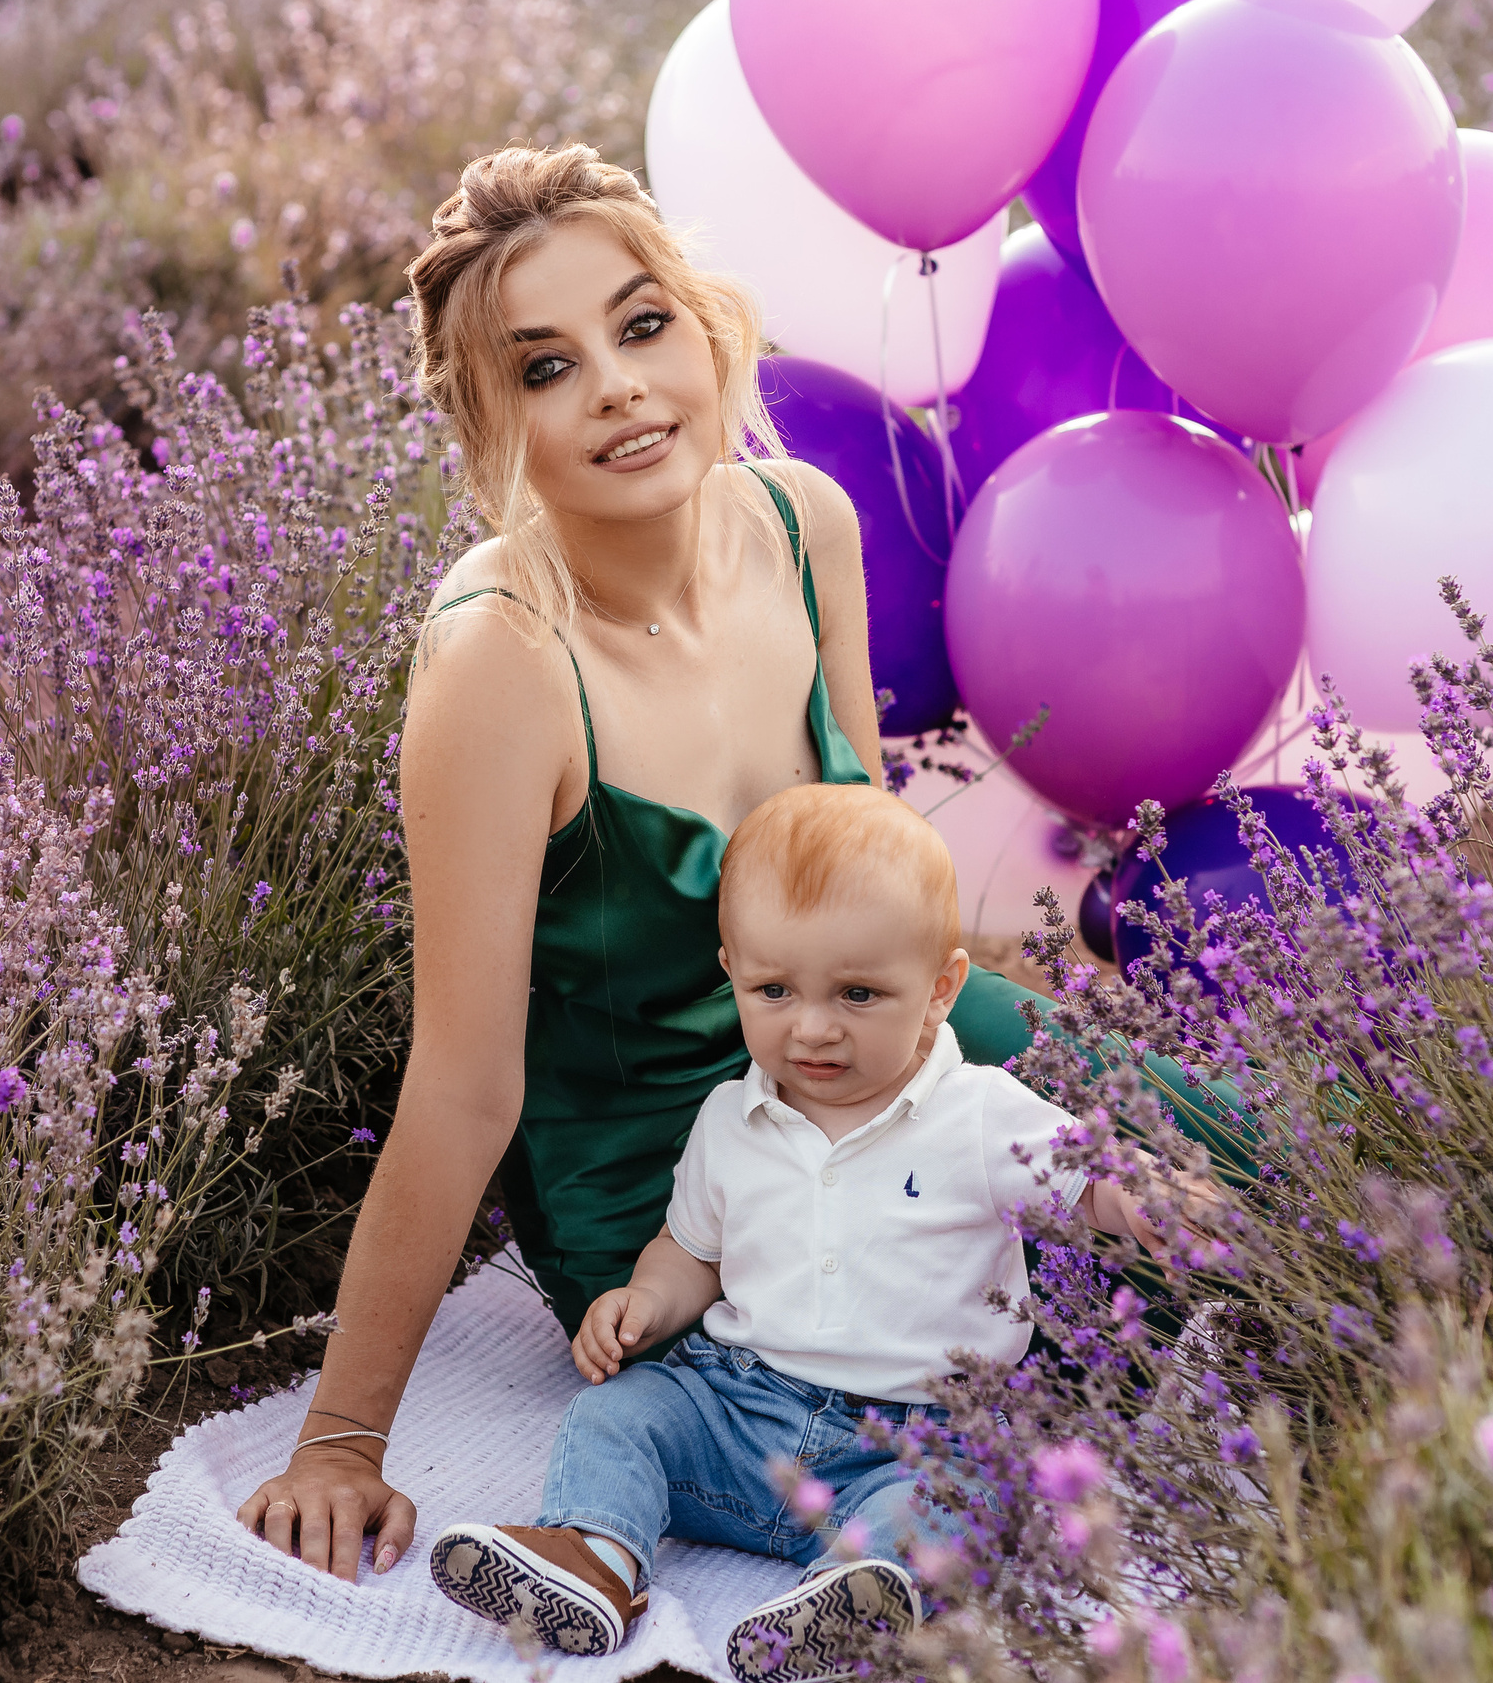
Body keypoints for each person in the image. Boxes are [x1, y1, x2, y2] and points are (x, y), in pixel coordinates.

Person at [233, 141, 1247, 1582]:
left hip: (889, 1047)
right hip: (672, 1180)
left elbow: (879, 874)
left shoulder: (801, 523)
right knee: (987, 1338)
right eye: (545, 368)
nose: (619, 386)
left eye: (641, 325)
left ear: (703, 325)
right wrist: (343, 1434)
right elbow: (464, 1085)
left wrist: (1012, 1059)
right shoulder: (501, 665)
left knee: (1240, 1163)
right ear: (489, 422)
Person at [422, 784, 1194, 1676]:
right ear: (732, 974)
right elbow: (695, 1251)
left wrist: (1143, 1197)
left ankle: (850, 1592)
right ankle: (597, 1556)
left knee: (961, 1499)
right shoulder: (729, 1117)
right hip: (737, 1406)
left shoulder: (977, 1112)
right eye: (774, 989)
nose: (813, 1028)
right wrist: (644, 1298)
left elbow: (1086, 1178)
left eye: (859, 993)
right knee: (617, 1415)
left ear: (942, 987)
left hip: (913, 1432)